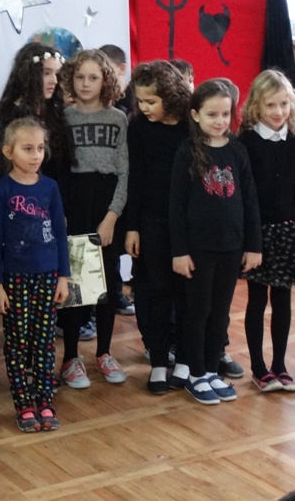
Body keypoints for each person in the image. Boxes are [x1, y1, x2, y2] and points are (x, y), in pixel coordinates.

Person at [170, 79, 262, 405]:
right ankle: (195, 373)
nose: (220, 120)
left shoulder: (237, 150)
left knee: (220, 313)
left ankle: (211, 370)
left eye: (225, 114)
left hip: (231, 246)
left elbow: (249, 200)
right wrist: (180, 251)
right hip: (198, 249)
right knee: (198, 311)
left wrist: (254, 245)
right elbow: (176, 206)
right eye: (212, 114)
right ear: (195, 115)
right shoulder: (187, 152)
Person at [0, 118, 70, 432]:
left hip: (48, 275)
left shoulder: (50, 187)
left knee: (44, 341)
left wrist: (63, 276)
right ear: (8, 151)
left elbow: (60, 233)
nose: (36, 155)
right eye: (27, 149)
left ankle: (45, 401)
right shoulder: (1, 190)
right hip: (15, 278)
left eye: (39, 148)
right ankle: (23, 404)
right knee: (18, 342)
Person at [238, 69, 295, 392]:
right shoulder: (246, 142)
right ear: (256, 106)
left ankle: (280, 366)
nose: (278, 111)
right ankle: (258, 368)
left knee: (283, 300)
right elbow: (244, 194)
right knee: (257, 300)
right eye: (270, 105)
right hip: (257, 234)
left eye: (284, 104)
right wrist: (249, 238)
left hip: (287, 233)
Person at [57, 49, 130, 388]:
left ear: (106, 81)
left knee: (108, 284)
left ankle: (103, 352)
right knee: (76, 284)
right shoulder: (63, 118)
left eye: (93, 77)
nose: (85, 84)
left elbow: (124, 172)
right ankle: (71, 358)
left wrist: (112, 216)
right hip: (75, 203)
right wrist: (62, 213)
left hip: (107, 204)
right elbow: (58, 172)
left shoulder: (118, 119)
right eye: (79, 77)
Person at [122, 60, 192, 395]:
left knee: (186, 292)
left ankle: (186, 360)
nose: (144, 107)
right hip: (151, 221)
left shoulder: (191, 124)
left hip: (188, 223)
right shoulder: (138, 126)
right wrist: (132, 227)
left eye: (151, 101)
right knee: (156, 291)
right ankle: (159, 362)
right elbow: (135, 177)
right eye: (140, 101)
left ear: (171, 95)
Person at [0, 43, 74, 185]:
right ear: (28, 74)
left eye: (56, 74)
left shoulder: (56, 111)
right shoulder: (8, 114)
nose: (54, 80)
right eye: (46, 73)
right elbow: (2, 168)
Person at [97, 44, 136, 318]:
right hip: (105, 187)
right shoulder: (102, 104)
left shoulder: (133, 101)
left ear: (121, 69)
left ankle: (118, 294)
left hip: (127, 182)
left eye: (106, 69)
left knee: (119, 246)